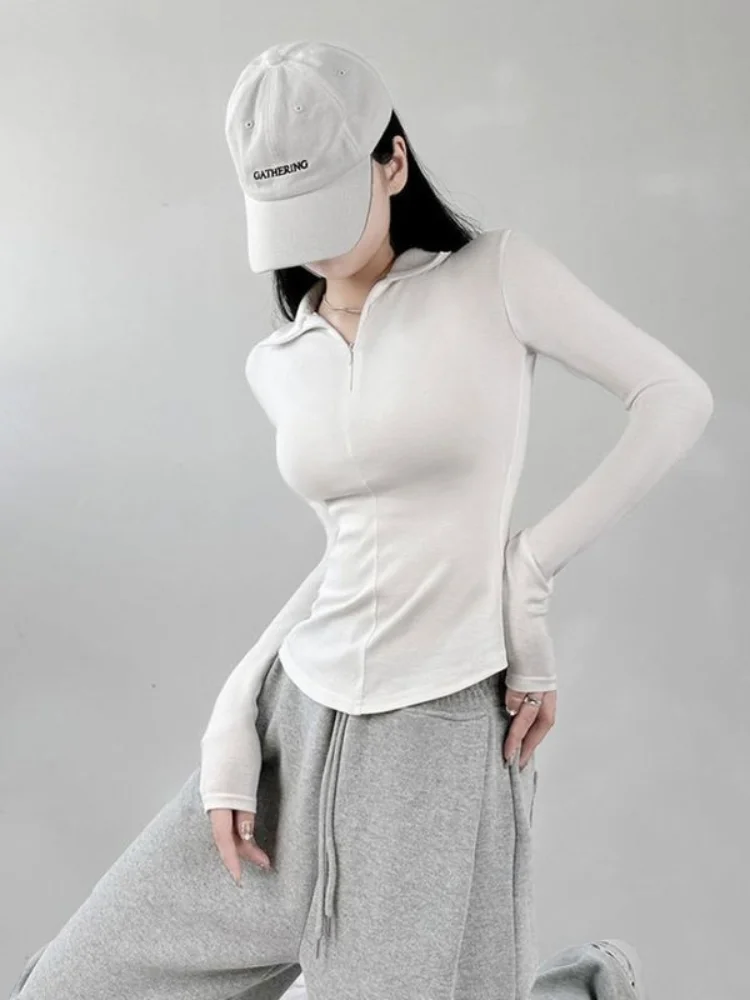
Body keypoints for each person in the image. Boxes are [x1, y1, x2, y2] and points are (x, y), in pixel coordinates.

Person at [9, 39, 713, 1000]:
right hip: (289, 732)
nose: (316, 245)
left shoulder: (496, 279)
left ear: (393, 161)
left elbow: (675, 398)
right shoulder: (280, 362)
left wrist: (527, 575)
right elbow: (354, 556)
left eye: (328, 205)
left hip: (433, 745)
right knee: (66, 987)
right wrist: (230, 713)